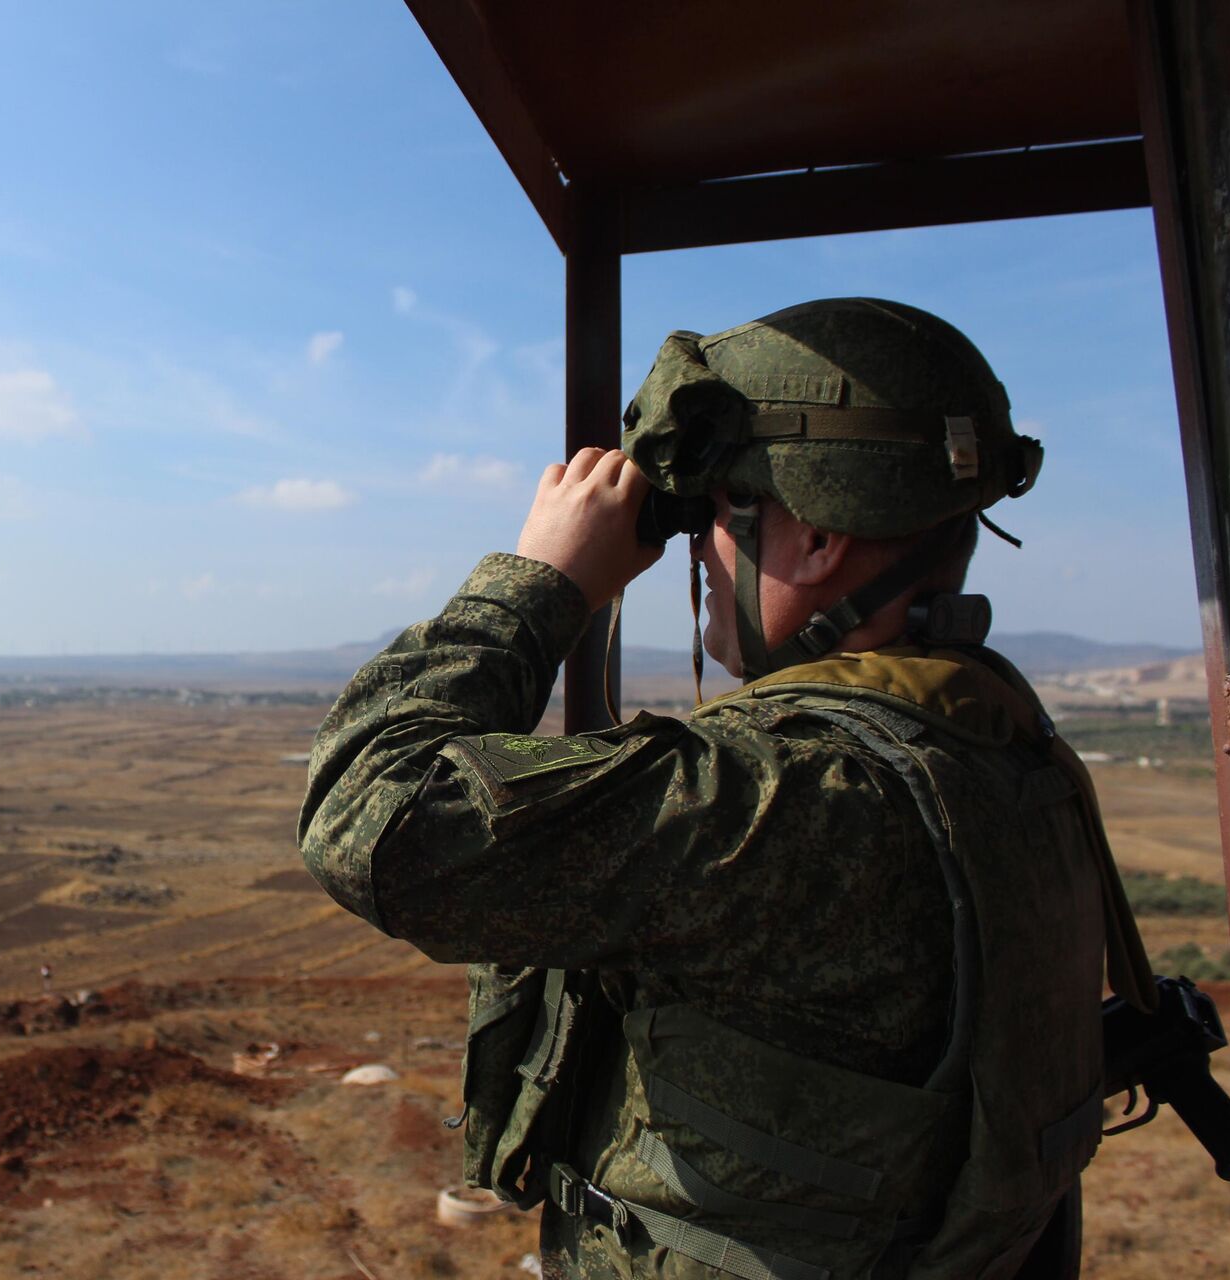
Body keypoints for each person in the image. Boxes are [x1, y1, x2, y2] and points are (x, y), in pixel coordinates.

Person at [299, 299, 1155, 1280]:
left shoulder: (794, 797)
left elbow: (371, 818)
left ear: (821, 536)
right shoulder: (1001, 741)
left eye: (718, 510)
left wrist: (539, 579)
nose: (699, 547)